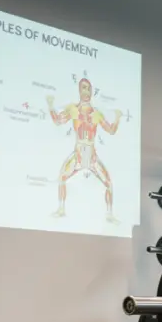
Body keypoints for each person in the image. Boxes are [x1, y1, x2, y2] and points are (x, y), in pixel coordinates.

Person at [47, 78, 123, 223]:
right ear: (79, 90)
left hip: (92, 155)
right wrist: (51, 106)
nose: (86, 92)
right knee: (62, 177)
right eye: (83, 88)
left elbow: (111, 130)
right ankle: (61, 209)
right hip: (78, 155)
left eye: (89, 89)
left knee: (108, 183)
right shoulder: (73, 109)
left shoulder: (96, 114)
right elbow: (58, 121)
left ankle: (109, 214)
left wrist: (118, 118)